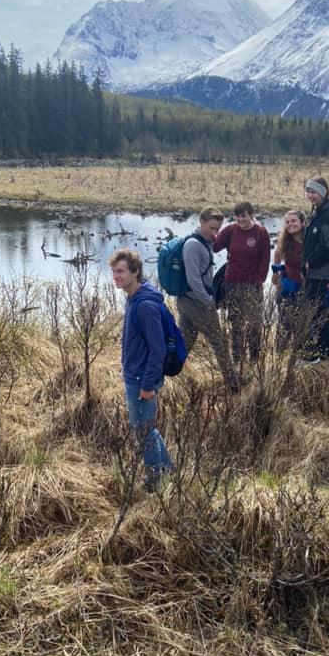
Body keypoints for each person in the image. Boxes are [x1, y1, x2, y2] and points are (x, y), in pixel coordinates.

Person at [109, 248, 172, 486]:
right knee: (144, 429)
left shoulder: (145, 306)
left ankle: (156, 479)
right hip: (134, 375)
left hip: (141, 380)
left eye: (122, 272)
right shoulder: (133, 298)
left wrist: (147, 385)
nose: (116, 276)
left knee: (143, 430)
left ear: (135, 272)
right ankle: (165, 469)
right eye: (114, 272)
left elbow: (158, 350)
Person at [177, 207, 238, 389]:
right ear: (201, 222)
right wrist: (208, 302)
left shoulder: (203, 242)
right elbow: (193, 279)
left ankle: (166, 374)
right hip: (195, 301)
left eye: (217, 229)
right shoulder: (193, 245)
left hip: (189, 301)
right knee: (218, 341)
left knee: (185, 342)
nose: (215, 232)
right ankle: (233, 383)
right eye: (211, 228)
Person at [213, 201, 271, 364]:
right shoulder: (231, 230)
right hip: (231, 282)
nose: (240, 219)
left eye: (243, 216)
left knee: (254, 323)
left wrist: (259, 281)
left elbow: (265, 259)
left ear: (251, 214)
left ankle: (254, 359)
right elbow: (215, 246)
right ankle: (237, 359)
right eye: (237, 216)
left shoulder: (260, 232)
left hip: (252, 285)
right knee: (236, 323)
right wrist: (210, 231)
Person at [301, 178, 329, 362]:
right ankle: (320, 352)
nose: (310, 195)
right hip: (314, 271)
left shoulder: (327, 217)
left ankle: (320, 354)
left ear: (323, 193)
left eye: (314, 192)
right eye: (308, 191)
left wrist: (310, 262)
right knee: (317, 310)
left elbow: (327, 247)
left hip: (320, 271)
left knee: (318, 311)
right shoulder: (318, 213)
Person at [271, 209, 306, 350]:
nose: (290, 224)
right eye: (287, 222)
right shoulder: (285, 241)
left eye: (294, 221)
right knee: (284, 323)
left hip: (305, 287)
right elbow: (277, 255)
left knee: (302, 323)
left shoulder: (309, 240)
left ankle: (299, 355)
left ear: (302, 223)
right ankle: (279, 356)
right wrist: (275, 273)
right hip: (287, 286)